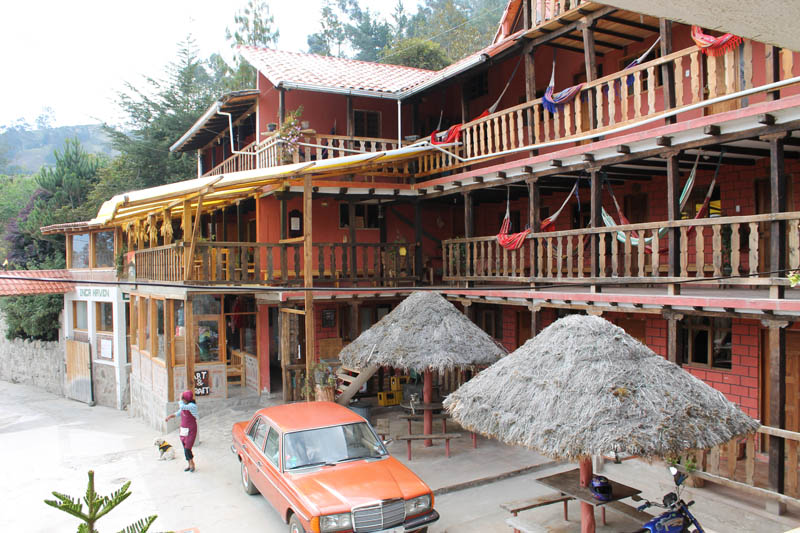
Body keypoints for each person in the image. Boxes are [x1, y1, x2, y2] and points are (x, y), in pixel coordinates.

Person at [165, 390, 198, 472]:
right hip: (183, 429)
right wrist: (169, 417)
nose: (182, 401)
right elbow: (178, 413)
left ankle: (192, 464)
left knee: (187, 448)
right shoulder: (185, 406)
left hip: (191, 430)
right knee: (185, 447)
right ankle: (190, 463)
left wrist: (180, 399)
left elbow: (182, 407)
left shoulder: (192, 406)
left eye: (183, 399)